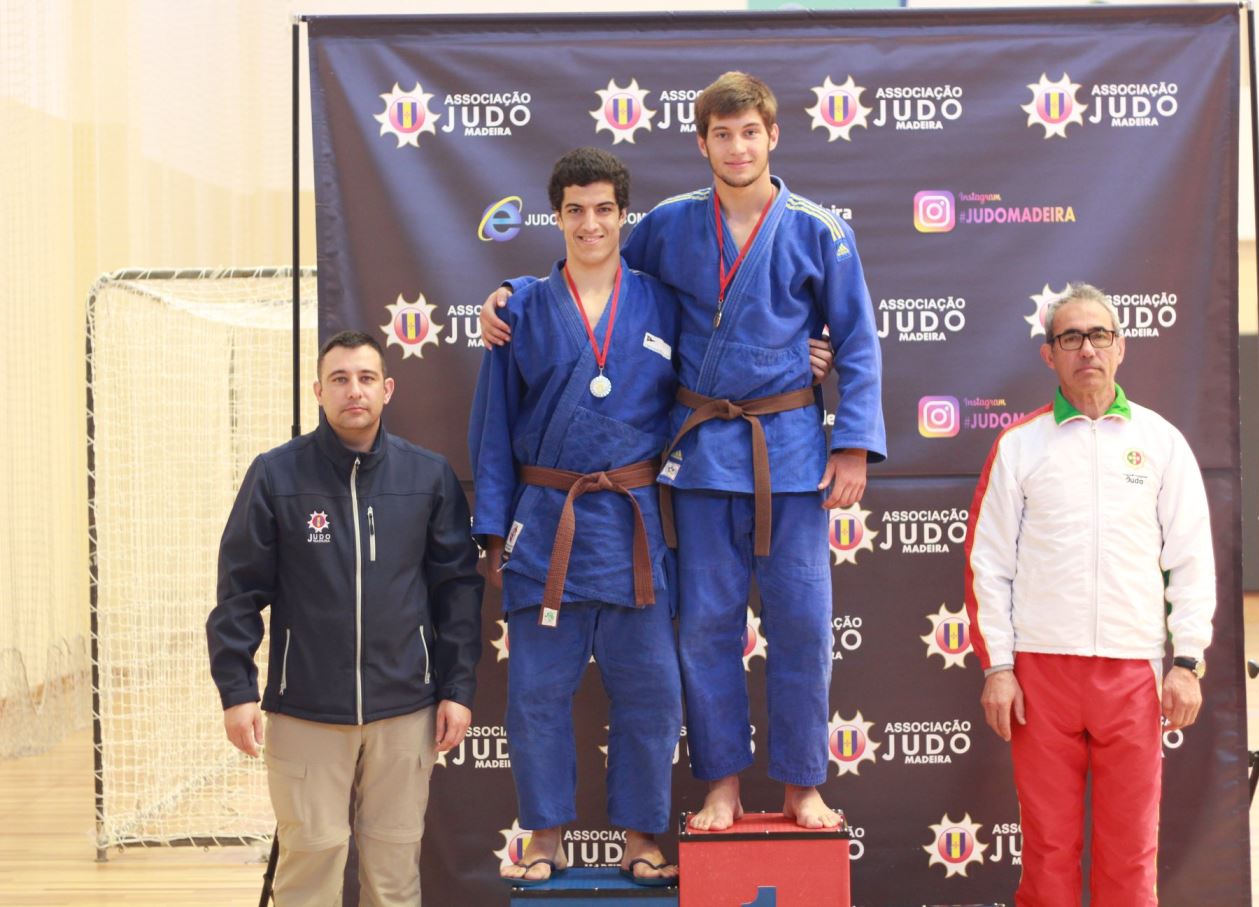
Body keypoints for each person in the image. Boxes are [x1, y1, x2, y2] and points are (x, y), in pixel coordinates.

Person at [481, 72, 885, 831]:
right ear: (702, 143)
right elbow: (599, 273)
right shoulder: (668, 224)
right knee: (706, 629)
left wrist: (854, 445)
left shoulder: (819, 230)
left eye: (750, 132)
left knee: (803, 626)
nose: (738, 148)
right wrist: (509, 293)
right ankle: (721, 782)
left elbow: (858, 340)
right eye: (722, 134)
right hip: (699, 459)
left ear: (773, 136)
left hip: (791, 454)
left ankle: (802, 784)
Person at [207, 330, 483, 907]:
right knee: (310, 867)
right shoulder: (276, 475)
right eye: (339, 379)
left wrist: (456, 689)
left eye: (365, 378)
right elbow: (238, 592)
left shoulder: (428, 476)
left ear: (387, 389)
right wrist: (237, 691)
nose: (353, 390)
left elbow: (456, 592)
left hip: (405, 709)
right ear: (318, 391)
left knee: (393, 875)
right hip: (305, 710)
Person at [468, 147, 683, 887]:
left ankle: (640, 836)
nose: (590, 223)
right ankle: (545, 835)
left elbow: (713, 377)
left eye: (603, 209)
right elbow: (493, 425)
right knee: (535, 694)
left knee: (652, 691)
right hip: (546, 522)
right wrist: (492, 530)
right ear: (556, 216)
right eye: (575, 210)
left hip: (634, 527)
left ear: (624, 215)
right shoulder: (520, 309)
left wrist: (805, 360)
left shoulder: (663, 302)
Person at [964, 283, 1216, 907]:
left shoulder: (1161, 441)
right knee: (1047, 848)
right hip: (1041, 674)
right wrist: (998, 668)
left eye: (1099, 335)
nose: (1087, 349)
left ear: (1120, 347)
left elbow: (1191, 561)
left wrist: (1187, 661)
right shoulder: (1019, 445)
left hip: (1132, 673)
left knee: (1130, 849)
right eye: (1070, 337)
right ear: (1049, 354)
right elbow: (987, 565)